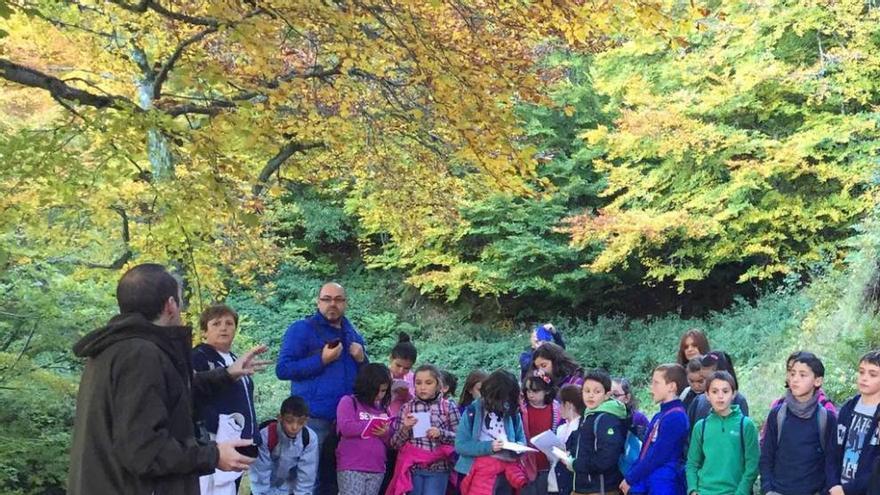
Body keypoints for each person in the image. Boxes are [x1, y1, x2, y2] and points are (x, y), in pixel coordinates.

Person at [67, 263, 265, 495]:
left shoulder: (113, 350)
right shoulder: (140, 355)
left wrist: (228, 373)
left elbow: (171, 392)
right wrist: (213, 455)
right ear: (170, 305)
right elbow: (145, 450)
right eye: (179, 301)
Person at [276, 282, 368, 495]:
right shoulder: (302, 329)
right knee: (306, 480)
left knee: (333, 483)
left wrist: (363, 360)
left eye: (338, 299)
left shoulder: (352, 333)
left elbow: (366, 376)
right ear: (318, 302)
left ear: (345, 303)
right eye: (327, 299)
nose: (332, 304)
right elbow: (283, 369)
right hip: (313, 418)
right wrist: (321, 360)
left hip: (345, 422)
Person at [192, 304, 259, 494]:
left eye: (229, 323)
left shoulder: (235, 359)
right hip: (211, 437)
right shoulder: (198, 357)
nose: (224, 328)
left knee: (228, 488)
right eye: (216, 324)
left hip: (236, 435)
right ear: (204, 332)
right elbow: (193, 392)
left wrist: (252, 432)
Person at [760, 352, 836, 495]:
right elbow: (766, 457)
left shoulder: (826, 418)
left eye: (803, 375)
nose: (795, 379)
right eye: (792, 373)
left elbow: (831, 462)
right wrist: (768, 489)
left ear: (817, 381)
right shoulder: (777, 415)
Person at [388, 364, 461, 495]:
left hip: (439, 469)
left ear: (438, 384)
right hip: (413, 469)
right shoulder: (407, 408)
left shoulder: (448, 407)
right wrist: (405, 428)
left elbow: (461, 439)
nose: (422, 387)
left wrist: (441, 434)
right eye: (418, 383)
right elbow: (394, 444)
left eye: (428, 383)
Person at [455, 369, 529, 495]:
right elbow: (461, 445)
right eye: (501, 400)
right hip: (477, 472)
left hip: (505, 473)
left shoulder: (512, 413)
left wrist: (519, 447)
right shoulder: (473, 411)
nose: (503, 404)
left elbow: (521, 439)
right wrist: (489, 447)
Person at [620, 364, 689, 495]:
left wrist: (631, 478)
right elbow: (644, 453)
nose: (651, 388)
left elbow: (657, 456)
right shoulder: (660, 415)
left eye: (656, 383)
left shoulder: (676, 417)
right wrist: (631, 475)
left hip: (664, 485)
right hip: (651, 482)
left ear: (671, 387)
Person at [686, 371, 759, 495]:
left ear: (733, 394)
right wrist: (693, 490)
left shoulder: (745, 425)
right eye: (714, 392)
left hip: (734, 491)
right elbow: (692, 463)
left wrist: (741, 492)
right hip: (704, 491)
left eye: (725, 391)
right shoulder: (701, 426)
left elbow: (752, 465)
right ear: (707, 395)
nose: (720, 396)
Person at [336, 363, 394, 495]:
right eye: (376, 390)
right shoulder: (349, 402)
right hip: (352, 465)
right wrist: (371, 424)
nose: (380, 395)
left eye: (384, 391)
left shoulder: (384, 409)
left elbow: (391, 440)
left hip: (377, 467)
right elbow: (346, 427)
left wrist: (384, 433)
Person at [829, 350, 880, 495]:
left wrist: (848, 490)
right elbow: (832, 450)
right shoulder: (848, 408)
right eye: (861, 372)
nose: (864, 378)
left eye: (872, 374)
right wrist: (834, 485)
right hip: (837, 488)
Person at [250, 396, 319, 495]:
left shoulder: (309, 439)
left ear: (306, 421)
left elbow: (307, 475)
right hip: (264, 488)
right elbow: (260, 471)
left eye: (300, 422)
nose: (294, 427)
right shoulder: (266, 435)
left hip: (289, 489)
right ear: (280, 418)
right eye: (289, 421)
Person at [520, 371, 562, 495]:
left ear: (547, 391)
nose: (531, 394)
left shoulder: (556, 409)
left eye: (535, 391)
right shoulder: (522, 409)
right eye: (528, 391)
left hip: (548, 463)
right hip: (526, 464)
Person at [687, 351, 749, 427]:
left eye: (709, 379)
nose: (706, 383)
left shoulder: (739, 400)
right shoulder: (698, 401)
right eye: (703, 378)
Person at [550, 384, 584, 495]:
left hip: (573, 479)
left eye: (561, 404)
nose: (559, 409)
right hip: (557, 477)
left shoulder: (582, 427)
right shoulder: (561, 428)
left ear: (569, 405)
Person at [389, 333, 418, 417]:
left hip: (404, 419)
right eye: (398, 365)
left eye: (406, 368)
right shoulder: (380, 374)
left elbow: (415, 401)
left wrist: (406, 395)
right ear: (391, 358)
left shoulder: (412, 378)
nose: (401, 371)